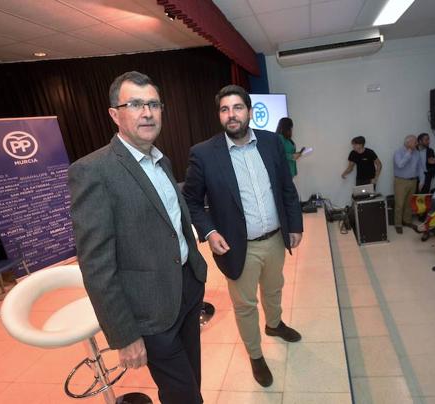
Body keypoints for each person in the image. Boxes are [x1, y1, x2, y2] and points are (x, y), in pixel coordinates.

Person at [68, 71, 207, 404]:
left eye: (154, 104)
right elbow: (97, 266)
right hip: (150, 311)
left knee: (191, 381)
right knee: (185, 396)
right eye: (135, 104)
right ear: (115, 115)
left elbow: (172, 224)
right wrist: (124, 335)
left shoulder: (163, 160)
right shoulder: (93, 171)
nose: (147, 112)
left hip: (188, 288)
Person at [183, 85, 303, 388]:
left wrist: (295, 225)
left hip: (275, 239)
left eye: (237, 108)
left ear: (249, 112)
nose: (231, 115)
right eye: (224, 109)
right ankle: (255, 355)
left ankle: (274, 325)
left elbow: (286, 188)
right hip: (238, 247)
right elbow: (192, 202)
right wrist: (209, 232)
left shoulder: (272, 142)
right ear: (219, 115)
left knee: (275, 289)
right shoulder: (204, 154)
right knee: (246, 305)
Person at [392, 135, 425, 234]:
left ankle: (407, 221)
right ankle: (398, 224)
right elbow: (400, 164)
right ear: (407, 143)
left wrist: (422, 181)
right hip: (401, 181)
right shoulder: (398, 152)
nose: (417, 144)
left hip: (413, 181)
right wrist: (409, 153)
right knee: (399, 204)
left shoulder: (417, 153)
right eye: (414, 142)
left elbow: (420, 167)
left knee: (409, 203)